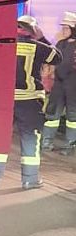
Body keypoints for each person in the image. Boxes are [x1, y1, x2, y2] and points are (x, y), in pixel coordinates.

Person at [0, 18, 60, 188]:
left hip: (4, 99)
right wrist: (42, 38)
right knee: (30, 137)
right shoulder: (38, 47)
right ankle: (30, 179)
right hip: (30, 100)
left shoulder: (2, 44)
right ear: (32, 30)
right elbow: (57, 57)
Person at [43, 11, 76, 154]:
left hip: (73, 84)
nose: (63, 30)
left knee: (72, 116)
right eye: (63, 28)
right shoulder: (60, 43)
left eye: (66, 28)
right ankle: (46, 142)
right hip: (59, 84)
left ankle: (70, 144)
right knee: (52, 114)